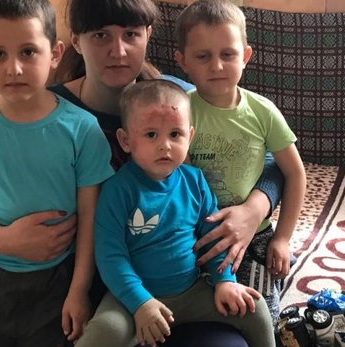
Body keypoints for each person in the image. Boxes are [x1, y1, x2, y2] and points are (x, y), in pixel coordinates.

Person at [0, 0, 283, 346]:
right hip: (90, 289)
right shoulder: (44, 111)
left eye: (131, 34)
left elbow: (269, 159)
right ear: (75, 41)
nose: (118, 51)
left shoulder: (180, 101)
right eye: (101, 35)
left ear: (148, 35)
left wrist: (254, 208)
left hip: (180, 280)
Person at [0, 0, 114, 346]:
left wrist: (79, 290)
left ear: (55, 54)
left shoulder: (82, 128)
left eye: (28, 51)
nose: (14, 68)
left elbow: (89, 218)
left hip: (56, 279)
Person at [76, 80, 275, 347]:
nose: (165, 146)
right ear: (126, 140)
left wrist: (224, 281)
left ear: (189, 137)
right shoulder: (117, 190)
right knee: (106, 329)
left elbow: (215, 237)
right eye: (151, 135)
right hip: (133, 299)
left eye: (175, 134)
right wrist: (140, 303)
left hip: (191, 292)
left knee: (254, 307)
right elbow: (110, 257)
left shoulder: (194, 181)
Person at [174, 0, 307, 322]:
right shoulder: (179, 111)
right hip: (193, 235)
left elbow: (295, 173)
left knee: (261, 315)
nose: (217, 66)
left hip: (254, 235)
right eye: (203, 56)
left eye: (228, 54)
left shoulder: (263, 112)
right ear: (183, 61)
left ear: (245, 56)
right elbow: (176, 180)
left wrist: (282, 238)